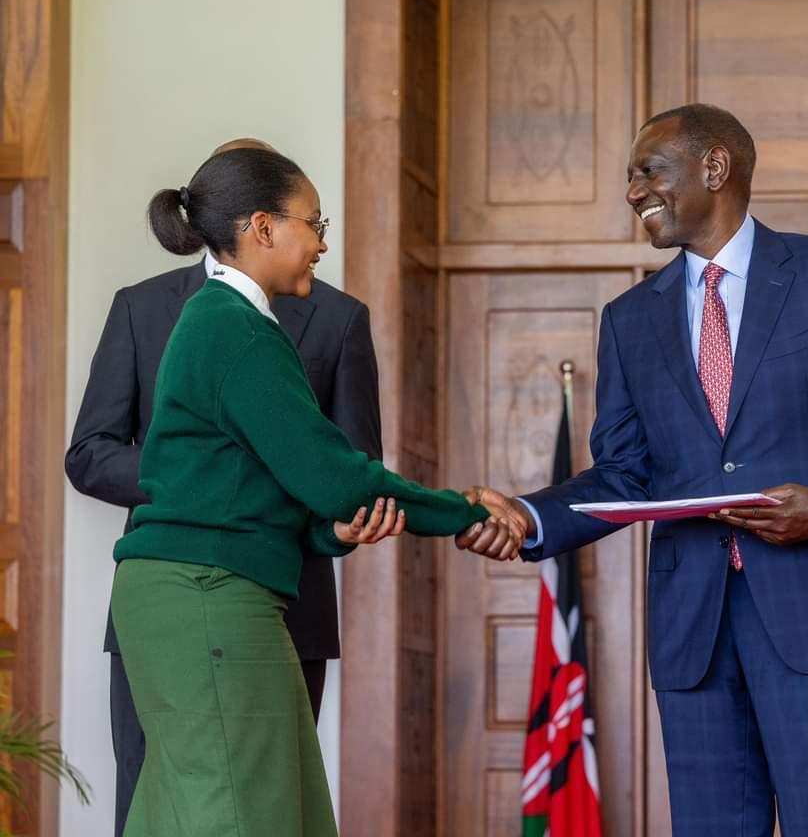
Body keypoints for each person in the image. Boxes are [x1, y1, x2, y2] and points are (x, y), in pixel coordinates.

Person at [462, 104, 808, 836]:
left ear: (714, 168)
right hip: (693, 631)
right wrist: (528, 516)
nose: (631, 192)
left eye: (646, 172)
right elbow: (623, 474)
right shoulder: (629, 319)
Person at [108, 146, 520, 837]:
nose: (322, 243)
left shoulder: (225, 321)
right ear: (263, 228)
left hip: (189, 594)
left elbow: (269, 489)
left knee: (207, 812)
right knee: (248, 818)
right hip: (207, 598)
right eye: (313, 222)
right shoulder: (233, 329)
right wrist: (466, 510)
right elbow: (335, 475)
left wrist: (334, 532)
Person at [65, 138, 390, 837]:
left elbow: (355, 465)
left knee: (277, 815)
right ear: (252, 219)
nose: (318, 238)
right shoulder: (140, 309)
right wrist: (198, 478)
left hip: (288, 610)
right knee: (150, 810)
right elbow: (89, 454)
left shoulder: (338, 320)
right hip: (164, 617)